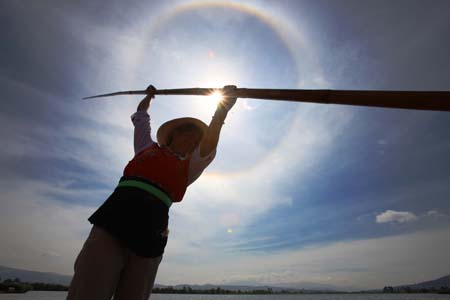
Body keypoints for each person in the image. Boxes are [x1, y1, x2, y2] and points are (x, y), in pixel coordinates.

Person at [67, 85, 237, 300]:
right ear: (173, 134)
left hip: (153, 228)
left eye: (197, 138)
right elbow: (141, 116)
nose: (193, 139)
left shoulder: (192, 166)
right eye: (188, 131)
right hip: (115, 217)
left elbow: (210, 142)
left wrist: (222, 109)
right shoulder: (146, 147)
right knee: (88, 290)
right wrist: (149, 96)